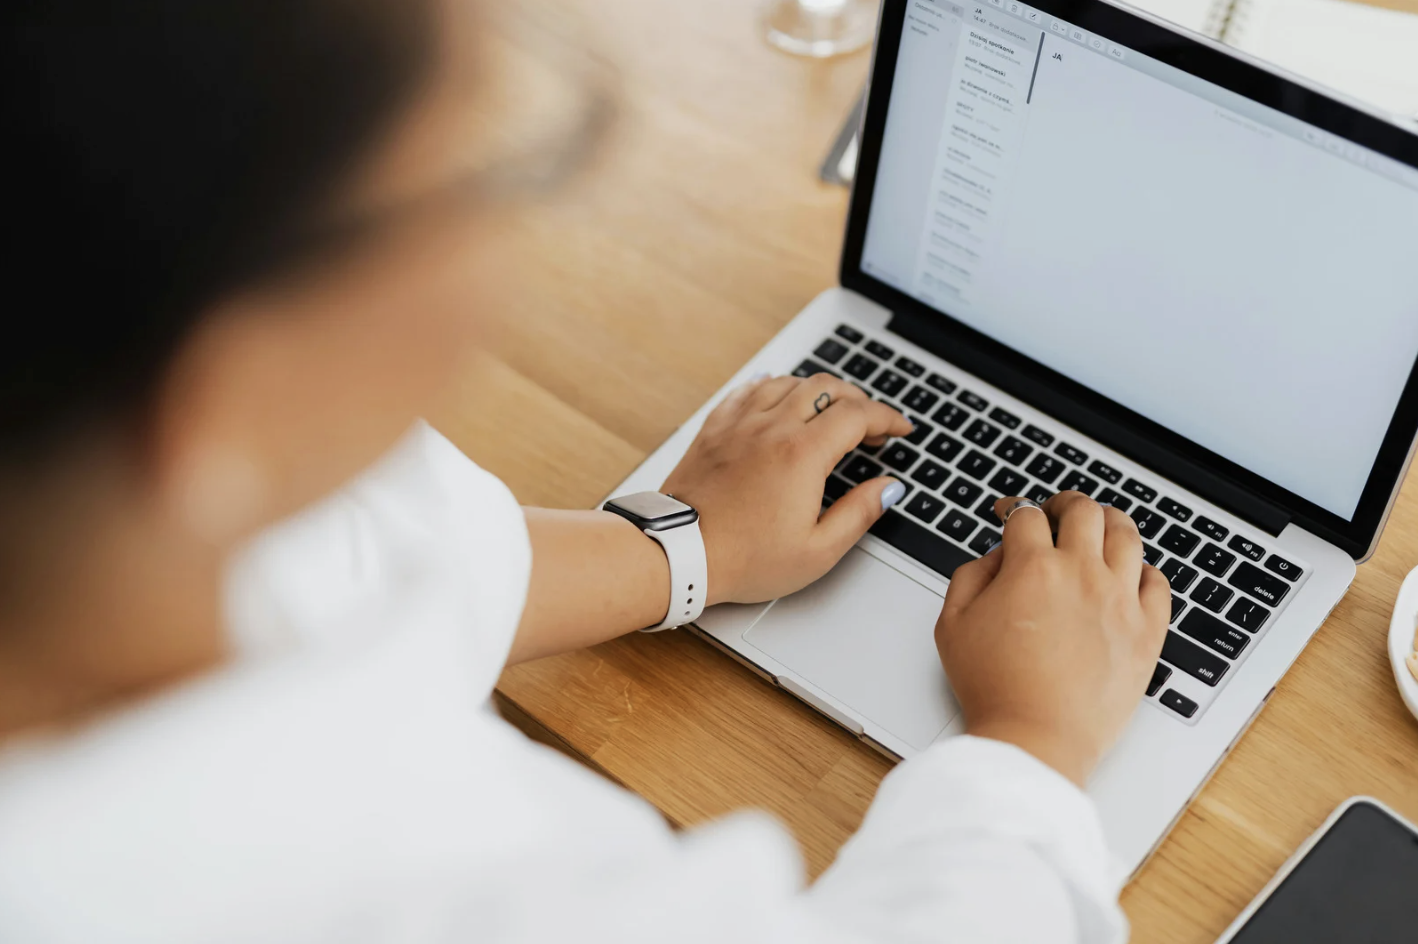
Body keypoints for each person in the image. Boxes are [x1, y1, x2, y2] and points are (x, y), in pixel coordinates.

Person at [0, 1, 1170, 941]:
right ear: (222, 401)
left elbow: (358, 550)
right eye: (482, 170)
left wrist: (687, 548)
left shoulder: (94, 526)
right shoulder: (414, 881)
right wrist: (1033, 739)